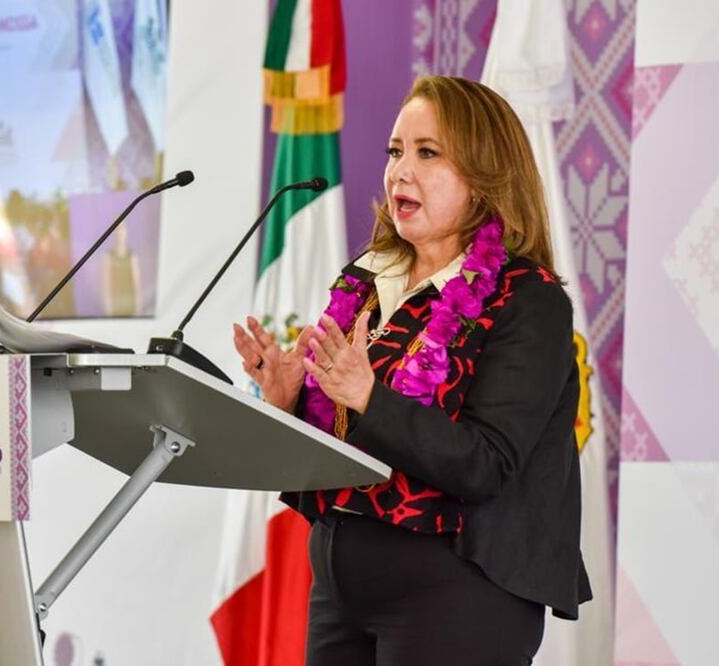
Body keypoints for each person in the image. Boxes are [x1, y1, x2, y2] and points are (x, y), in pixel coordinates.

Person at [232, 75, 591, 665]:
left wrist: (368, 397)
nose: (400, 171)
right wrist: (289, 401)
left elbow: (487, 463)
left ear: (485, 175)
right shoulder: (367, 282)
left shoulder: (528, 300)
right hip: (339, 583)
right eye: (395, 151)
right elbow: (344, 436)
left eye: (428, 153)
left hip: (456, 592)